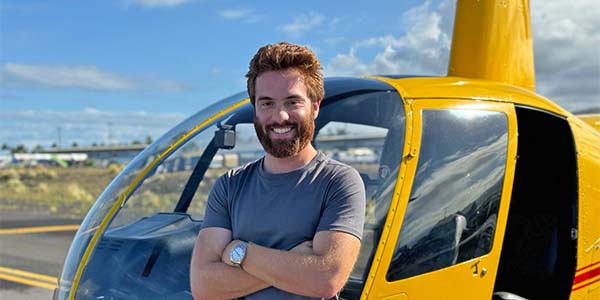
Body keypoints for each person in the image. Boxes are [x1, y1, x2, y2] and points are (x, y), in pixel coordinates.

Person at [190, 42, 366, 300]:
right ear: (255, 110)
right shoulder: (230, 185)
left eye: (292, 101)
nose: (280, 116)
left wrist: (240, 252)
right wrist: (295, 262)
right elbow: (204, 286)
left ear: (315, 106)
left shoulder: (339, 181)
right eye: (267, 104)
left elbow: (326, 278)